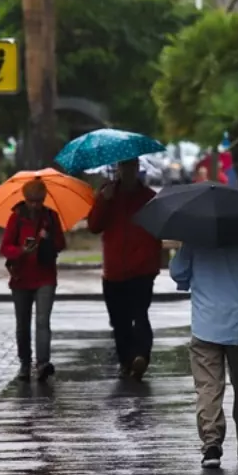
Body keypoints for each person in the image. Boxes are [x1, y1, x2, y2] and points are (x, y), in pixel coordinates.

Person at [170, 241, 238, 469]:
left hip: (206, 324)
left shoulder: (196, 237)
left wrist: (185, 250)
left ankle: (211, 444)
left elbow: (178, 271)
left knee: (208, 387)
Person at [87, 159, 162, 380]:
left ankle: (141, 356)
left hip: (142, 269)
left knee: (140, 315)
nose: (127, 171)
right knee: (119, 321)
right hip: (114, 270)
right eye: (123, 166)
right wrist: (104, 200)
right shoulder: (107, 194)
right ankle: (125, 361)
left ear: (137, 168)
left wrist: (151, 260)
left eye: (131, 166)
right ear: (118, 168)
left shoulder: (148, 197)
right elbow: (94, 226)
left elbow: (158, 229)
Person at [0, 179, 66, 382]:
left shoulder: (51, 217)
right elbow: (5, 247)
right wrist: (21, 250)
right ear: (25, 199)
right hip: (21, 278)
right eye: (31, 201)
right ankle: (25, 363)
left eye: (39, 200)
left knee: (42, 321)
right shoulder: (16, 218)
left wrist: (48, 239)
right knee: (23, 324)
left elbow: (61, 244)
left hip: (45, 276)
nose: (35, 205)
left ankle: (43, 363)